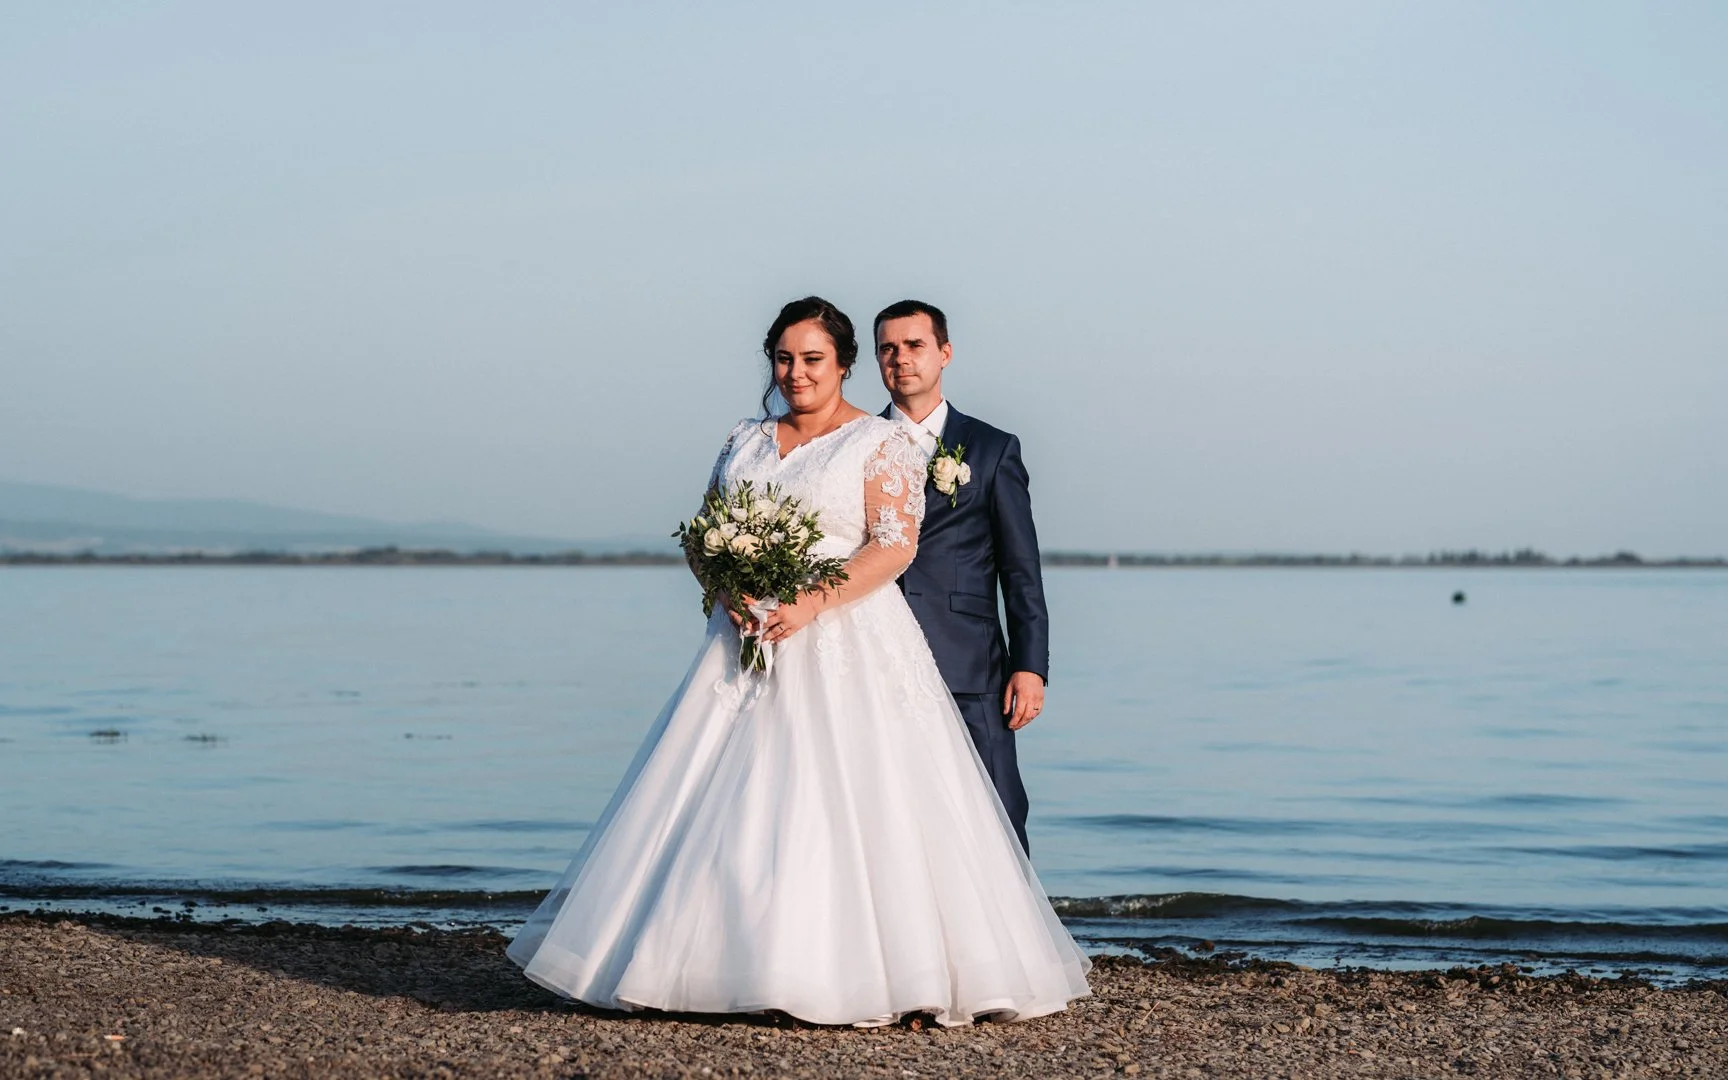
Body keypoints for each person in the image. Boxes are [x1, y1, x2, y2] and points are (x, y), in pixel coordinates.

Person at [506, 297, 1089, 1027]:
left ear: (841, 364)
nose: (797, 372)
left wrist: (810, 603)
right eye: (784, 358)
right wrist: (730, 586)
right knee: (735, 805)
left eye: (812, 358)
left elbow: (895, 544)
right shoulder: (743, 439)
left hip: (848, 637)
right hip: (745, 644)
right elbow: (707, 535)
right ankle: (721, 963)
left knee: (865, 807)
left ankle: (889, 970)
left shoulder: (878, 443)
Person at [875, 299, 1047, 853]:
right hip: (873, 659)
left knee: (998, 810)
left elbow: (1021, 570)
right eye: (888, 349)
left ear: (944, 353)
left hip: (971, 665)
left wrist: (1030, 666)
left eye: (914, 345)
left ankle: (1018, 937)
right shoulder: (854, 444)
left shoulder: (994, 449)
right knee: (888, 810)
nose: (901, 359)